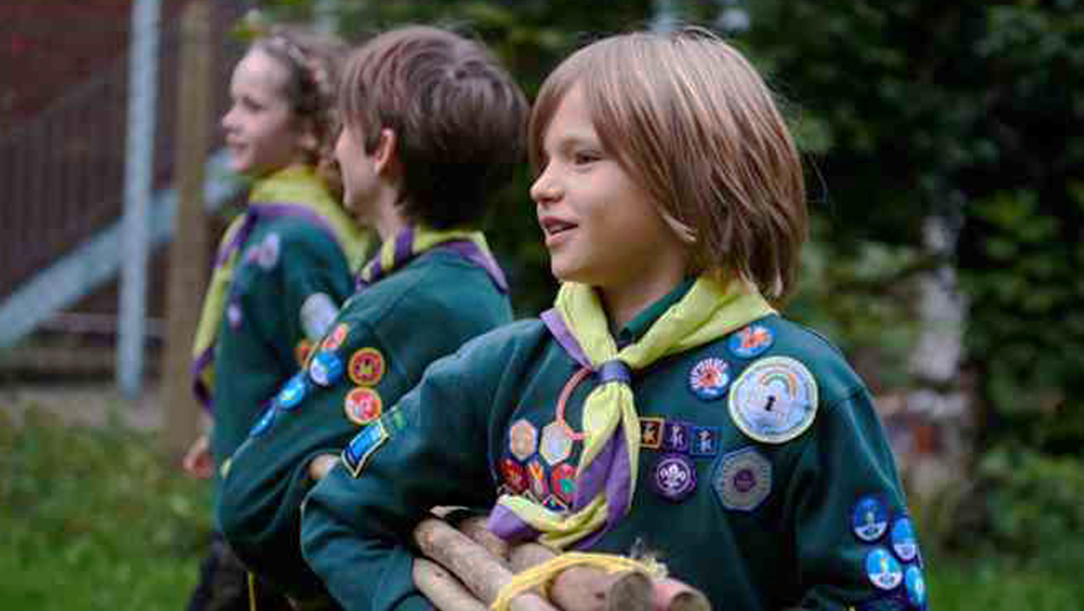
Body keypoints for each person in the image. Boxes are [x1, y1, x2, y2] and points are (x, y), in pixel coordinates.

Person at [301, 28, 928, 611]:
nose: (542, 187)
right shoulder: (504, 371)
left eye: (582, 158)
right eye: (544, 161)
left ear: (688, 177)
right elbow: (340, 514)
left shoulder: (797, 390)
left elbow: (877, 596)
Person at [216, 25, 528, 608]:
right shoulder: (469, 285)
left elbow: (248, 504)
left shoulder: (403, 308)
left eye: (343, 130)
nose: (333, 149)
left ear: (380, 151)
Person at [182, 24, 370, 611]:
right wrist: (224, 428)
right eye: (232, 102)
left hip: (269, 516)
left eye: (253, 106)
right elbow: (266, 354)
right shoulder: (268, 224)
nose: (230, 121)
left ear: (309, 129)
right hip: (248, 486)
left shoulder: (297, 240)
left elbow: (326, 371)